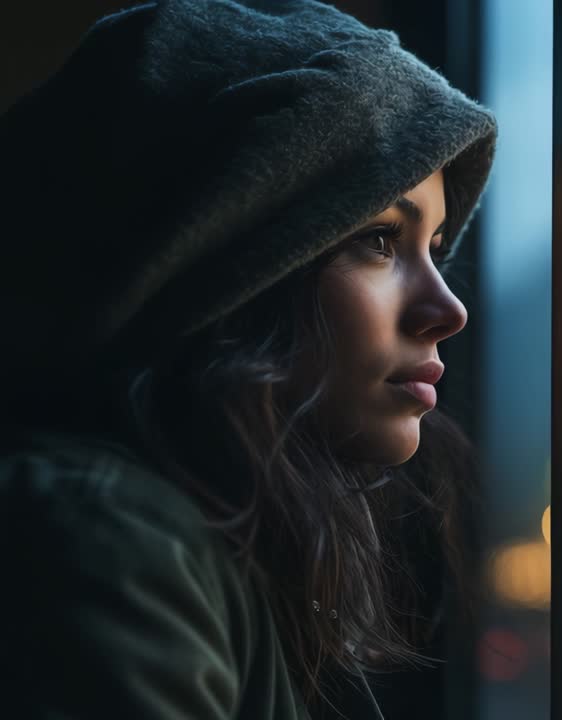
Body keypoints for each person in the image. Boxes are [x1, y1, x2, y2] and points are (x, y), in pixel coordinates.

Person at [0, 0, 497, 717]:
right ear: (219, 267)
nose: (448, 310)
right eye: (378, 241)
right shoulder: (100, 541)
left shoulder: (215, 543)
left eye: (438, 249)